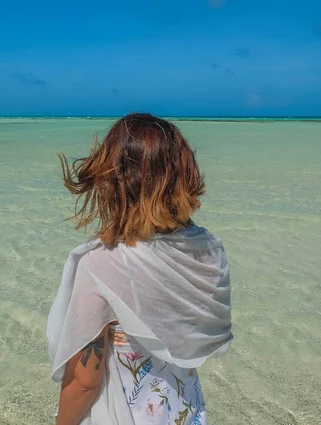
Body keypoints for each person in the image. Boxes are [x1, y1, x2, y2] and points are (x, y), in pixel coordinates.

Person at [47, 113, 233, 425]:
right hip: (183, 410)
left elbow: (84, 383)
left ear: (114, 182)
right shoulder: (209, 250)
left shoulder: (101, 263)